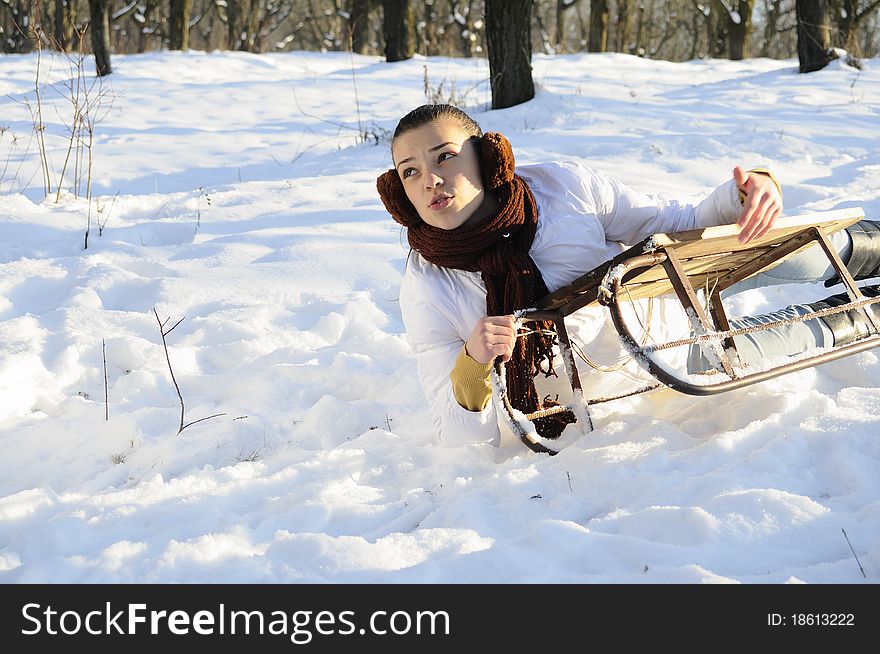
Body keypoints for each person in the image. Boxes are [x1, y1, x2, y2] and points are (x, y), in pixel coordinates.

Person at [376, 104, 880, 447]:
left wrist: (749, 193)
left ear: (486, 157)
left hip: (670, 288)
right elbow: (453, 431)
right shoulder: (426, 286)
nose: (431, 180)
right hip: (675, 359)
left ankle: (872, 245)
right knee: (822, 327)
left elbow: (673, 223)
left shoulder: (562, 188)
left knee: (784, 246)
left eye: (445, 156)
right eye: (410, 171)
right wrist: (471, 363)